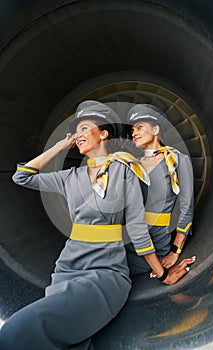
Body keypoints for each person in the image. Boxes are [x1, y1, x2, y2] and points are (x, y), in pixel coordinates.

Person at [0, 100, 195, 350]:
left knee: (16, 332)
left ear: (103, 133)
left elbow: (136, 228)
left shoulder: (125, 169)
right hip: (67, 269)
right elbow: (22, 177)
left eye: (84, 128)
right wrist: (61, 145)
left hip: (105, 270)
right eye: (76, 131)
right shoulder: (70, 177)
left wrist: (164, 272)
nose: (78, 135)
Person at [126, 103, 194, 275]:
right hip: (127, 237)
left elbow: (187, 207)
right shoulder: (131, 163)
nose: (134, 133)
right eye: (133, 130)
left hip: (156, 241)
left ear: (155, 129)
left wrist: (174, 252)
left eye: (140, 127)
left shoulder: (177, 160)